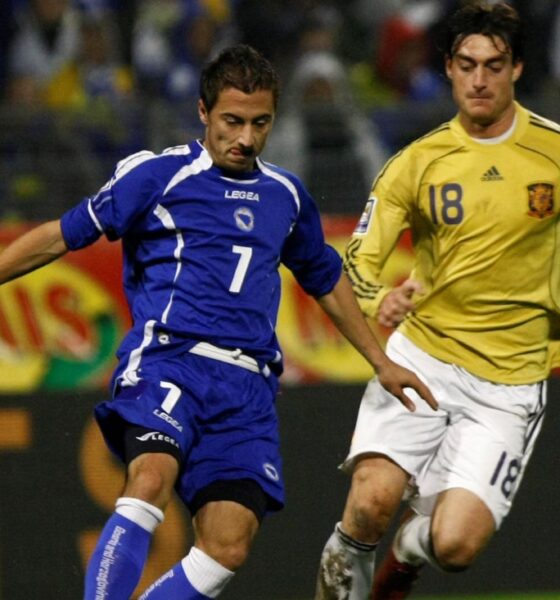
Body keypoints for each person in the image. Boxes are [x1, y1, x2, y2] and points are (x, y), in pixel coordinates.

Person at [0, 44, 436, 599]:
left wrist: (380, 361)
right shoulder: (159, 176)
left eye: (260, 123)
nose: (246, 138)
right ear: (204, 112)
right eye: (233, 121)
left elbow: (325, 280)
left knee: (228, 543)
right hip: (170, 362)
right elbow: (59, 236)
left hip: (247, 388)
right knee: (149, 479)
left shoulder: (286, 195)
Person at [314, 3, 560, 599]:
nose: (480, 79)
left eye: (494, 65)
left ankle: (408, 550)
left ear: (516, 69)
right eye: (467, 65)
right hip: (423, 358)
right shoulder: (416, 163)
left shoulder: (553, 152)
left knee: (454, 547)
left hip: (511, 380)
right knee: (370, 503)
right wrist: (381, 299)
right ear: (448, 68)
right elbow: (356, 265)